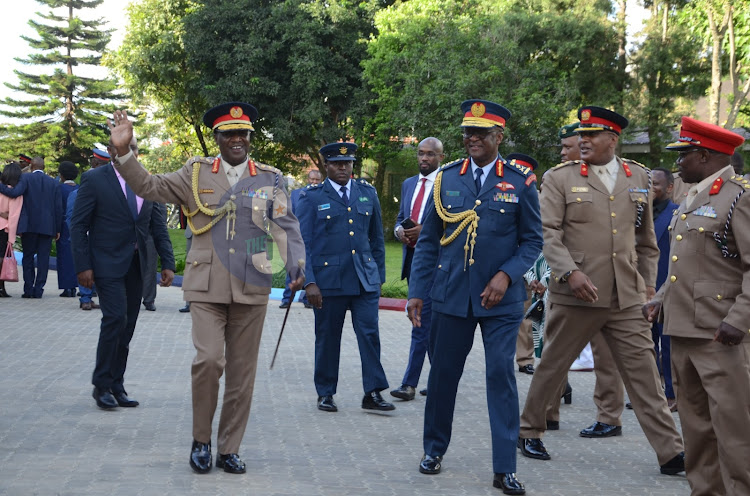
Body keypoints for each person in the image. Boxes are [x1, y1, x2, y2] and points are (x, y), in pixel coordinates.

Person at [107, 103, 306, 475]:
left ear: (250, 138)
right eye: (228, 133)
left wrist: (297, 265)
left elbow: (287, 225)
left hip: (251, 284)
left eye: (242, 133)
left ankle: (229, 447)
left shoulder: (271, 178)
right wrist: (124, 152)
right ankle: (201, 439)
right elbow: (151, 186)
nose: (236, 140)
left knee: (242, 373)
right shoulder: (195, 173)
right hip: (206, 285)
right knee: (209, 360)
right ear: (217, 138)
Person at [517, 106, 685, 478]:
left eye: (592, 135)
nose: (583, 140)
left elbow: (645, 243)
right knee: (553, 366)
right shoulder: (559, 178)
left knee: (646, 377)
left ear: (613, 139)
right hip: (577, 294)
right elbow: (548, 233)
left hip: (626, 298)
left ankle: (671, 452)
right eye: (581, 134)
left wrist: (646, 288)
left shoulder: (636, 176)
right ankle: (529, 430)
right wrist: (570, 272)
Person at [407, 99, 543, 495]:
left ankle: (505, 467)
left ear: (499, 136)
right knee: (444, 375)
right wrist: (417, 292)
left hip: (500, 302)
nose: (472, 139)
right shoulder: (447, 178)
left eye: (481, 133)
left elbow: (532, 239)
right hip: (451, 296)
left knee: (500, 376)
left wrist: (506, 275)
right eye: (468, 132)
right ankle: (433, 449)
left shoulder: (520, 181)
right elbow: (429, 241)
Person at [644, 117, 750, 496]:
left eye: (683, 155)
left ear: (704, 156)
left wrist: (739, 319)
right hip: (683, 330)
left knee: (735, 432)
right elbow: (685, 267)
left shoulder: (738, 196)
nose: (677, 164)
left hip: (721, 334)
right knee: (697, 431)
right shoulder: (690, 197)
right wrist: (658, 299)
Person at [71, 133, 175, 412]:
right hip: (106, 263)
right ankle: (101, 385)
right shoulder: (94, 179)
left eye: (135, 149)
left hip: (136, 265)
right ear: (111, 151)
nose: (131, 154)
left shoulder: (148, 182)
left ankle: (117, 384)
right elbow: (78, 226)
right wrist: (83, 266)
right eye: (124, 149)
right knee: (115, 318)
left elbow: (158, 227)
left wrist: (167, 262)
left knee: (127, 325)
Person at [297, 142, 394, 414]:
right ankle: (326, 392)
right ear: (326, 166)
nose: (343, 167)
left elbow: (376, 240)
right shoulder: (312, 197)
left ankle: (373, 392)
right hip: (329, 282)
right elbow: (304, 243)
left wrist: (379, 277)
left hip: (364, 280)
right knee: (328, 337)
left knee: (370, 335)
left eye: (347, 163)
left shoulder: (366, 193)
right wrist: (310, 281)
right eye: (337, 163)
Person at [545, 122, 627, 436]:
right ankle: (546, 412)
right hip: (567, 284)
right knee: (556, 352)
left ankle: (609, 417)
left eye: (570, 146)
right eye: (566, 146)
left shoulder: (612, 180)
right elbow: (549, 232)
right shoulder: (559, 179)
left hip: (608, 285)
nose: (566, 152)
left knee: (607, 355)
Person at [390, 137, 444, 401]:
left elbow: (453, 224)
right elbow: (400, 219)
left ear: (441, 157)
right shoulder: (409, 184)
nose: (424, 158)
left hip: (437, 264)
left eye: (430, 154)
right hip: (413, 262)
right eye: (421, 154)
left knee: (420, 321)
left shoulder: (447, 184)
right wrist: (401, 231)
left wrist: (426, 231)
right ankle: (440, 379)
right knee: (426, 322)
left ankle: (409, 383)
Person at [0, 156, 62, 298]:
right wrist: (57, 229)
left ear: (31, 166)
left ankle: (28, 289)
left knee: (28, 257)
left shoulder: (25, 179)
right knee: (43, 259)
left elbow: (14, 193)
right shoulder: (53, 183)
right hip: (48, 226)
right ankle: (39, 289)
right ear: (44, 167)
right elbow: (59, 208)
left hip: (28, 226)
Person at [649, 167, 679, 412]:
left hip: (666, 290)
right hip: (639, 292)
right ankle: (649, 394)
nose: (651, 189)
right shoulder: (636, 214)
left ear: (669, 187)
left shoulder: (677, 214)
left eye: (656, 184)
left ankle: (672, 394)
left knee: (667, 348)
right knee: (645, 347)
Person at [509, 153, 541, 377]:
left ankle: (525, 359)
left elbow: (539, 238)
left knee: (527, 317)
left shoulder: (537, 198)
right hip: (503, 266)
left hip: (530, 265)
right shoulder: (499, 192)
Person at [66, 149, 110, 310]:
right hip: (87, 234)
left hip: (98, 236)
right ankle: (85, 297)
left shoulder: (107, 184)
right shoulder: (85, 186)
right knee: (86, 263)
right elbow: (73, 218)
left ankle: (88, 297)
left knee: (93, 265)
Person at [279, 168, 322, 309]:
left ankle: (306, 299)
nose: (314, 182)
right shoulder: (296, 194)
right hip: (297, 236)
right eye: (312, 179)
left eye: (317, 180)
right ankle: (287, 299)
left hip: (315, 238)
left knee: (311, 268)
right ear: (307, 179)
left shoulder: (323, 194)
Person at [0, 162, 24, 298]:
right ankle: (1, 287)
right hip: (5, 228)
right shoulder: (15, 193)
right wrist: (12, 237)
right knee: (2, 258)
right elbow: (14, 216)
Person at [56, 161, 79, 297]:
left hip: (63, 227)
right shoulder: (80, 188)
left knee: (64, 256)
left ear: (62, 175)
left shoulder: (59, 189)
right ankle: (77, 285)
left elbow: (57, 210)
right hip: (77, 225)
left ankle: (67, 287)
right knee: (77, 256)